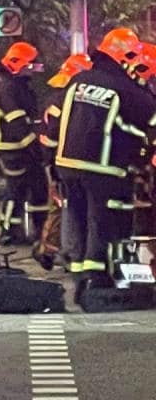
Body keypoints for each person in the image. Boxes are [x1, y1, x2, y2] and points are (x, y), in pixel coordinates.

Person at [56, 29, 156, 307]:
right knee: (103, 223)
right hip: (103, 168)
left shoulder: (79, 80)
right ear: (127, 57)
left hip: (67, 165)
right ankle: (96, 280)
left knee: (77, 220)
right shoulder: (127, 90)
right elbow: (149, 124)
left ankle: (77, 280)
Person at [33, 53, 92, 270]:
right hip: (61, 162)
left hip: (57, 161)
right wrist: (51, 166)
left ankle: (52, 249)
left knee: (61, 206)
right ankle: (56, 251)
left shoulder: (56, 98)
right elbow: (51, 137)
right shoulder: (64, 100)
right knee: (63, 207)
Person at [0, 41, 48, 246]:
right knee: (16, 190)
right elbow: (17, 124)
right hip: (12, 150)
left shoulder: (20, 87)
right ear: (18, 64)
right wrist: (33, 147)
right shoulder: (8, 90)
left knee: (38, 188)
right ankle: (9, 230)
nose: (33, 68)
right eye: (30, 64)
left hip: (26, 147)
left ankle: (39, 229)